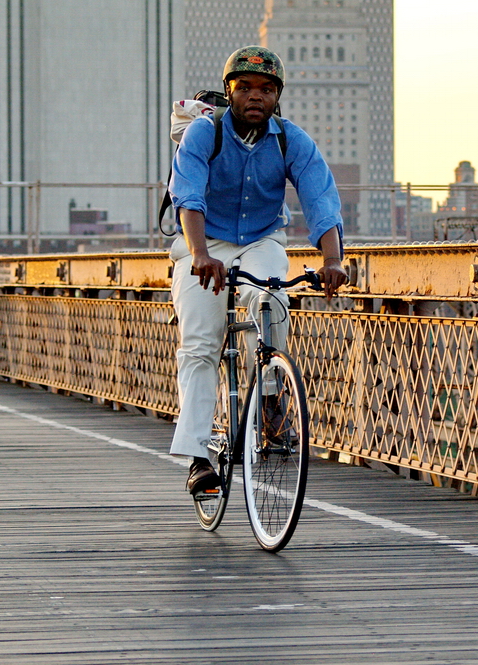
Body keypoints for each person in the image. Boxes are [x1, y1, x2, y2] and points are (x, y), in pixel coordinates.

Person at [167, 45, 347, 495]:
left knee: (271, 296)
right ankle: (197, 457)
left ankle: (268, 398)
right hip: (204, 240)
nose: (255, 97)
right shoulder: (203, 134)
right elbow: (187, 196)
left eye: (266, 90)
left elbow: (320, 198)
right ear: (230, 93)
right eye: (244, 87)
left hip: (262, 237)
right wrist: (200, 253)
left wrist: (332, 261)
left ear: (277, 97)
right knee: (200, 345)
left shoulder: (291, 140)